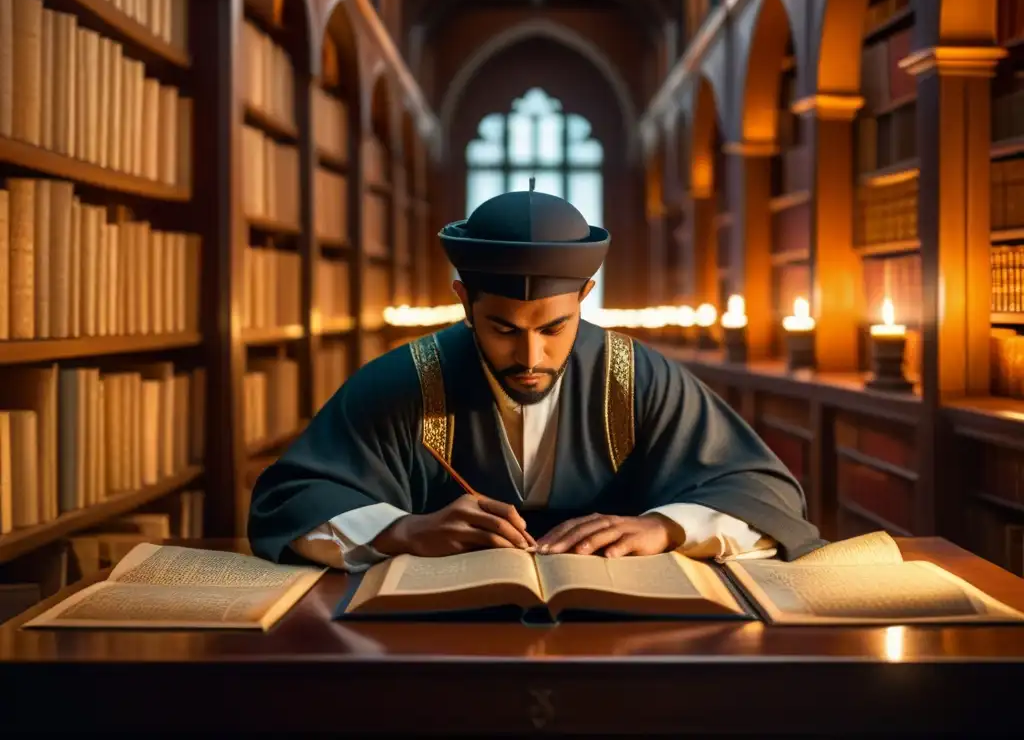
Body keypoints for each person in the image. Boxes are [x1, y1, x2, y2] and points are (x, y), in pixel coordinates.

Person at [248, 184, 825, 571]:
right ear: (463, 301)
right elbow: (289, 501)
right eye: (502, 328)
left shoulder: (637, 378)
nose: (530, 355)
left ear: (585, 297)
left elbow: (767, 494)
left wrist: (667, 530)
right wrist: (402, 532)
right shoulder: (406, 381)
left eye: (554, 328)